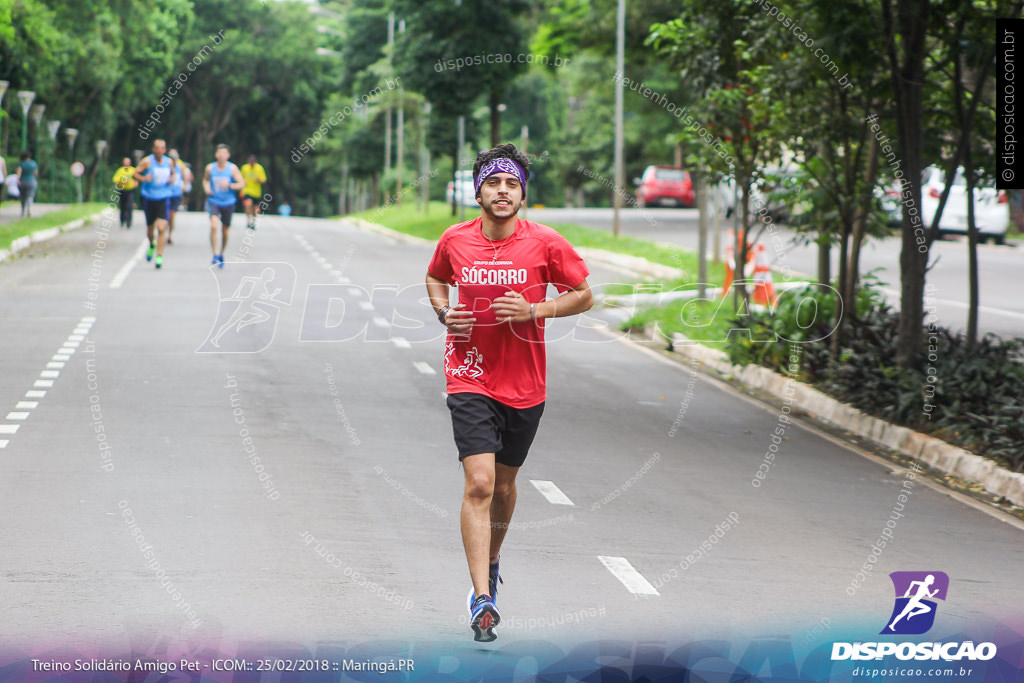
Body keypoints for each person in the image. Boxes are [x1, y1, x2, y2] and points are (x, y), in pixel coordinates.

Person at [425, 143, 593, 643]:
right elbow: (436, 277)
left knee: (502, 486)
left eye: (512, 183)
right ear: (478, 190)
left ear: (522, 193)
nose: (503, 191)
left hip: (524, 383)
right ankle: (481, 598)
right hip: (469, 372)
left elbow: (584, 294)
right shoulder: (455, 240)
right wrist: (442, 311)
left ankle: (492, 560)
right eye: (494, 183)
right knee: (478, 482)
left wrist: (536, 312)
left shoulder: (545, 243)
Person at [133, 139, 176, 269]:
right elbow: (135, 173)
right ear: (153, 149)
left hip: (164, 197)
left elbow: (173, 174)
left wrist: (171, 179)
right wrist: (144, 178)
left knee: (162, 228)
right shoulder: (147, 161)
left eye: (162, 148)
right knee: (150, 230)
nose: (159, 151)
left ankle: (159, 256)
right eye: (157, 148)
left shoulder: (169, 162)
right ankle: (152, 244)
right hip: (149, 198)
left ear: (165, 150)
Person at [203, 144, 244, 268]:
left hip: (228, 202)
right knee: (214, 225)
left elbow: (241, 183)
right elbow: (205, 180)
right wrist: (206, 189)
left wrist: (230, 185)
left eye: (224, 154)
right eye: (219, 154)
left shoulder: (232, 169)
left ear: (228, 156)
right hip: (214, 200)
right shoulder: (210, 168)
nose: (221, 156)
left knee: (225, 231)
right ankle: (215, 253)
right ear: (216, 155)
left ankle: (221, 253)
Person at [240, 154, 267, 230]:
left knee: (255, 209)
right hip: (247, 191)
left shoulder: (259, 168)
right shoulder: (244, 168)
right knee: (248, 205)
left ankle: (253, 221)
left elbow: (264, 180)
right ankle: (249, 221)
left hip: (256, 192)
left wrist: (258, 179)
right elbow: (240, 178)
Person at [167, 148, 186, 244]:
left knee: (172, 215)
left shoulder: (180, 166)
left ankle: (169, 235)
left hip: (176, 193)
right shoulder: (165, 165)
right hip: (165, 193)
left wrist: (184, 187)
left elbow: (184, 176)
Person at [112, 158, 137, 229]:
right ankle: (122, 221)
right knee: (122, 206)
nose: (126, 164)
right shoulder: (120, 170)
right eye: (125, 162)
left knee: (129, 206)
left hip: (130, 190)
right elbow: (114, 179)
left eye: (127, 162)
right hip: (122, 190)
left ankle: (129, 222)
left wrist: (136, 182)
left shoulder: (133, 170)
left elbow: (137, 178)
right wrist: (122, 180)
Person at [16, 151, 39, 218]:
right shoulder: (33, 163)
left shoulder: (20, 164)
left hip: (22, 182)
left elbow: (19, 173)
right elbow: (36, 173)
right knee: (30, 196)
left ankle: (23, 211)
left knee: (23, 197)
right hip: (31, 181)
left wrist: (18, 180)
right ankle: (29, 209)